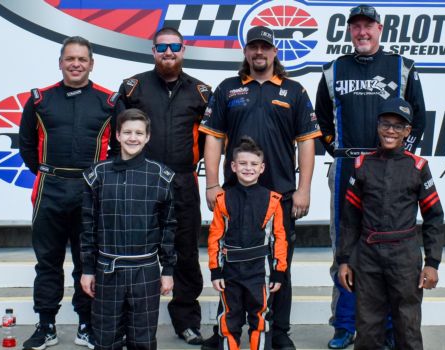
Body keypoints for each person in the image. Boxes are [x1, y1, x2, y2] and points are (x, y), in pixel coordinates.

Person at [199, 25, 321, 350]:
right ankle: (224, 330)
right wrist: (211, 184)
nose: (259, 53)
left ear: (274, 52)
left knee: (279, 267)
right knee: (232, 265)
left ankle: (278, 332)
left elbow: (307, 144)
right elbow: (212, 138)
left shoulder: (294, 91)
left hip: (280, 196)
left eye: (264, 48)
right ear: (246, 52)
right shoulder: (228, 88)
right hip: (234, 197)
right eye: (253, 47)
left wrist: (304, 189)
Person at [314, 4, 427, 348]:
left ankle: (391, 328)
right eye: (356, 27)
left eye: (368, 26)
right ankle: (345, 324)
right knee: (345, 246)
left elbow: (418, 118)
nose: (362, 32)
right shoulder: (334, 69)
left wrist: (398, 156)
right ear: (349, 31)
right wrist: (340, 150)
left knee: (389, 243)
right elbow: (321, 120)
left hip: (390, 168)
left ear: (380, 29)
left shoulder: (402, 66)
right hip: (349, 164)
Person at [19, 35, 120, 350]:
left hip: (90, 190)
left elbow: (118, 149)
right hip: (50, 188)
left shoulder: (109, 101)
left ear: (91, 64)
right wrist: (50, 173)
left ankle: (86, 326)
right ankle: (46, 325)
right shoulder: (39, 100)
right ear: (61, 63)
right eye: (70, 59)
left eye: (82, 59)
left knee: (87, 262)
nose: (76, 64)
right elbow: (26, 147)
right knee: (47, 262)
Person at [116, 26, 211, 345]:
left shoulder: (201, 92)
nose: (168, 52)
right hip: (141, 181)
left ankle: (186, 320)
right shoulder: (133, 88)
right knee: (136, 253)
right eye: (162, 47)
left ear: (184, 50)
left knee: (185, 253)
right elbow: (119, 138)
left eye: (174, 46)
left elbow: (209, 142)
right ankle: (133, 321)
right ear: (152, 51)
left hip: (184, 182)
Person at [337, 98, 444, 350]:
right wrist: (344, 260)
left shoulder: (418, 167)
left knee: (407, 325)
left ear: (408, 132)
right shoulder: (361, 165)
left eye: (398, 126)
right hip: (368, 254)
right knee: (367, 325)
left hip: (404, 255)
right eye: (386, 124)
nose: (390, 131)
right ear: (378, 126)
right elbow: (350, 219)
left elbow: (434, 216)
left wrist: (432, 263)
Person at [79, 108, 177, 350]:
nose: (133, 138)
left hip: (145, 269)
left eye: (139, 133)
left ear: (148, 137)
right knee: (105, 336)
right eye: (128, 132)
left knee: (142, 339)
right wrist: (88, 269)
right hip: (107, 268)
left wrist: (168, 270)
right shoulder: (97, 174)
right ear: (118, 136)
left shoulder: (161, 176)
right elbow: (88, 227)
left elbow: (169, 227)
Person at [207, 136, 288, 350]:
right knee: (228, 320)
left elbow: (279, 238)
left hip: (260, 272)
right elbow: (215, 237)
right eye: (242, 163)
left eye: (253, 164)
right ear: (233, 166)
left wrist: (279, 271)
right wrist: (215, 271)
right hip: (230, 272)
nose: (248, 168)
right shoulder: (223, 199)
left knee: (260, 320)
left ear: (262, 168)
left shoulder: (273, 199)